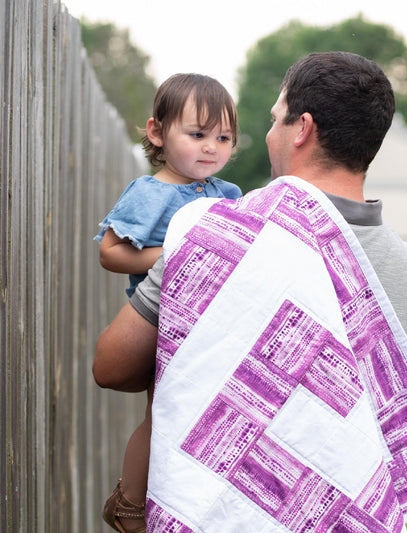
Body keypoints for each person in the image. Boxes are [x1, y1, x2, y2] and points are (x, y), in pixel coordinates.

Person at [94, 53, 407, 532]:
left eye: (276, 119)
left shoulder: (225, 232)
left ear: (302, 128)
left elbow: (111, 367)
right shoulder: (405, 275)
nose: (268, 134)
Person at [94, 73, 242, 533]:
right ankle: (130, 504)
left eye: (223, 138)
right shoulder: (151, 193)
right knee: (162, 415)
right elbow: (110, 252)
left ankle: (186, 505)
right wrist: (178, 249)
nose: (211, 147)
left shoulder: (229, 195)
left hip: (213, 328)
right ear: (157, 132)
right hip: (163, 324)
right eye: (197, 134)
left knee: (207, 420)